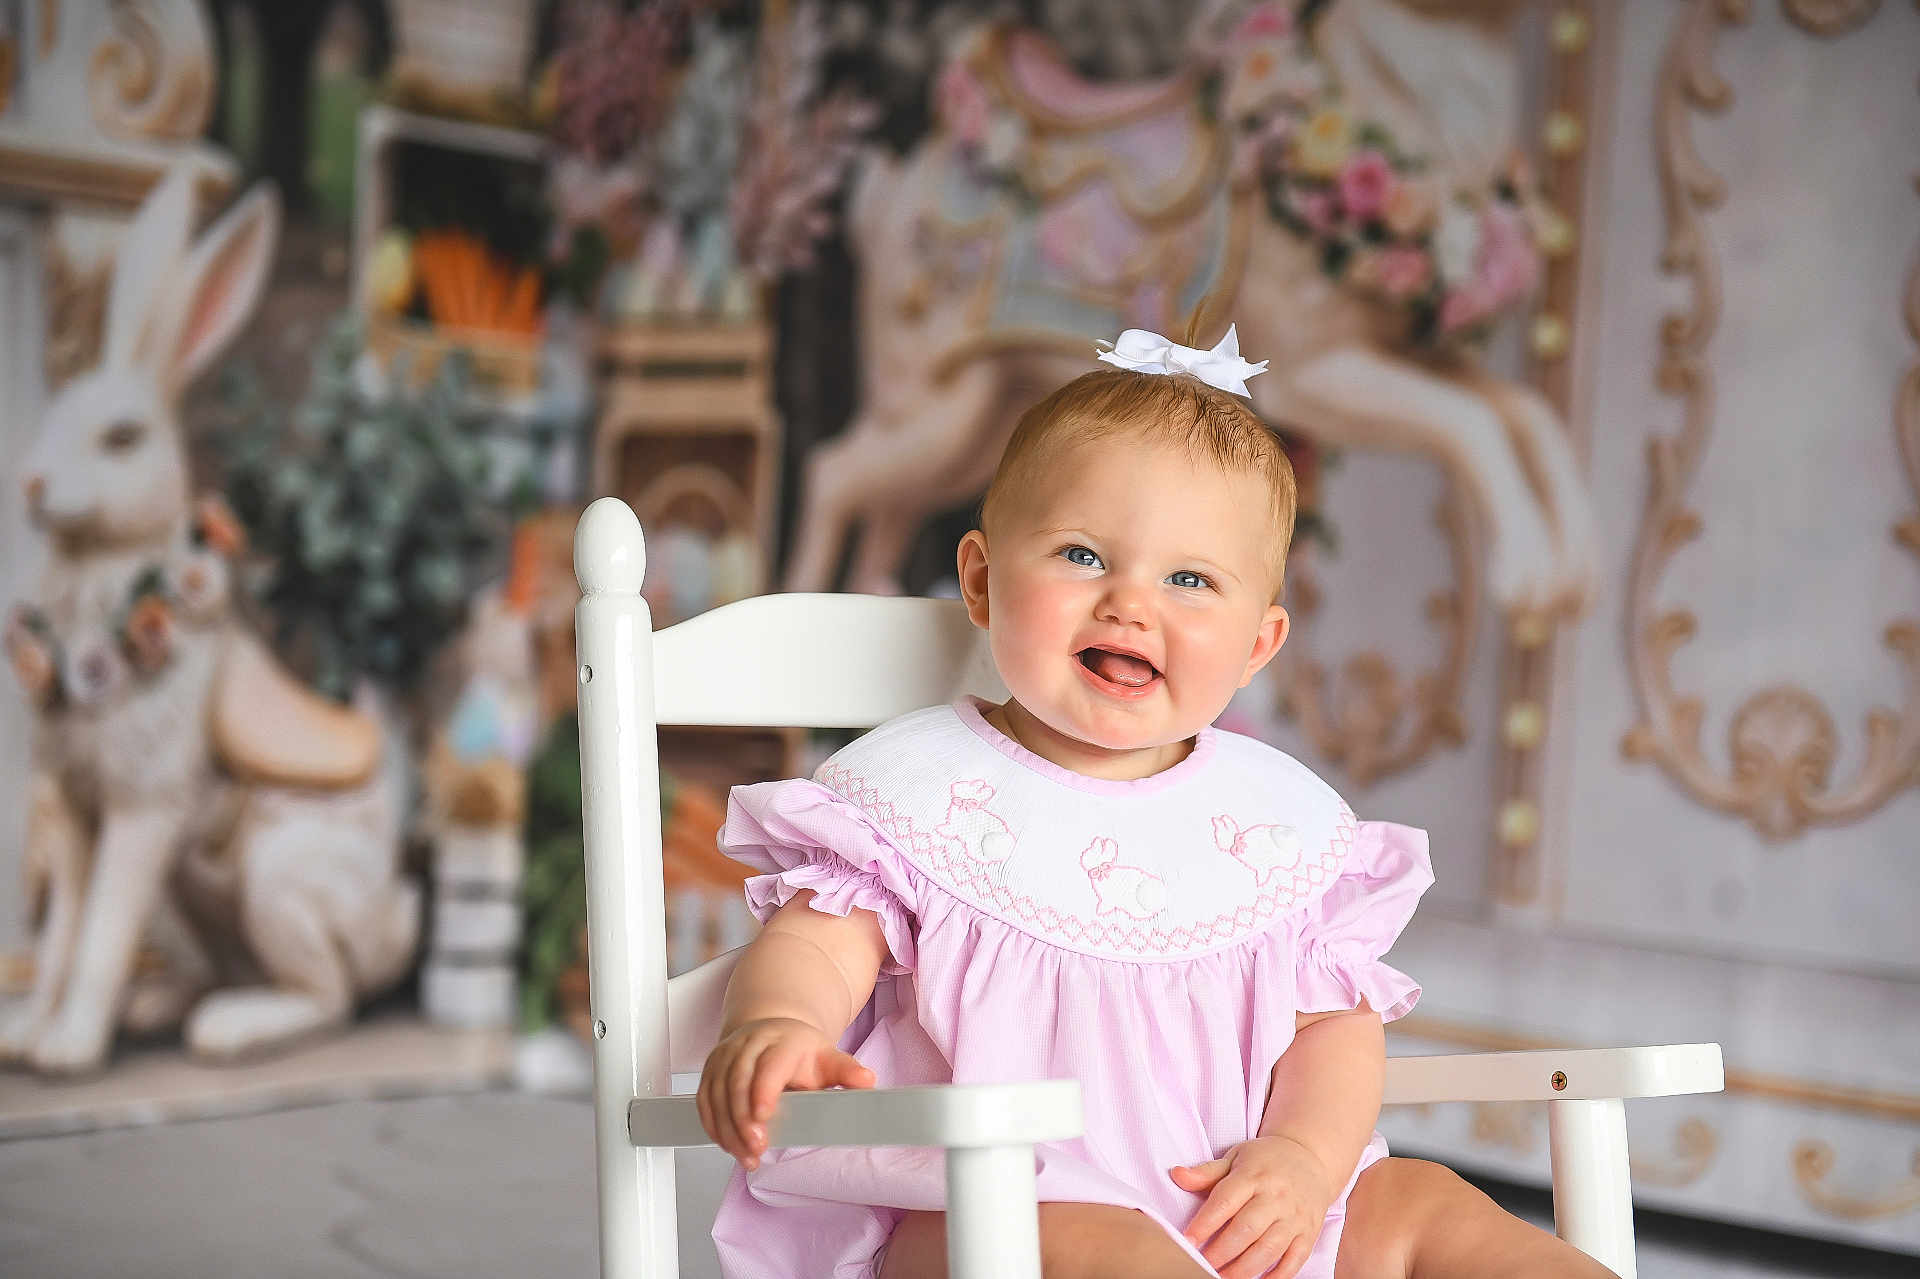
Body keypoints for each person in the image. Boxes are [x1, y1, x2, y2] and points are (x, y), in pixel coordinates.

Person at [698, 327, 1614, 1278]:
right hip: (989, 1222)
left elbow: (1336, 1030)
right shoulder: (917, 793)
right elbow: (814, 941)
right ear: (980, 578)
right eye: (1084, 555)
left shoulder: (1271, 827)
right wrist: (780, 1026)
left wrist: (1302, 1160)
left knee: (1428, 1206)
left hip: (1243, 1217)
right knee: (1112, 1248)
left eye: (1190, 579)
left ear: (1258, 645)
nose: (1132, 603)